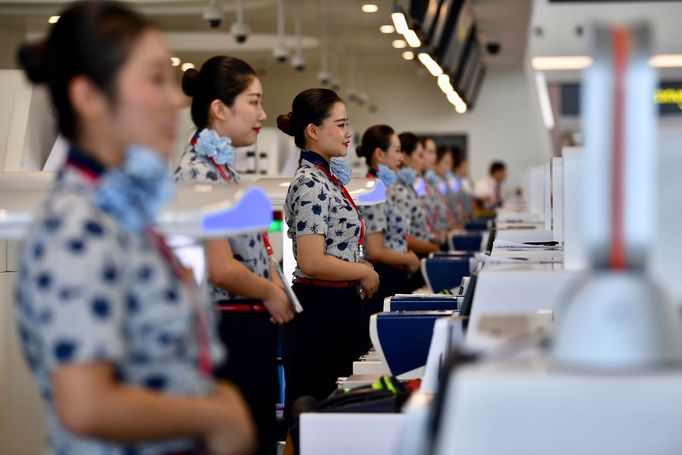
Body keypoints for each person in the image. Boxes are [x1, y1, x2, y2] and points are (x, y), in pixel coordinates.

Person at [14, 2, 254, 455]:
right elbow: (86, 405)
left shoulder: (119, 213)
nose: (175, 99)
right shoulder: (75, 226)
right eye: (154, 79)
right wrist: (214, 415)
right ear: (89, 97)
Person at [174, 55, 295, 455]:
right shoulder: (199, 173)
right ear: (220, 109)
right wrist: (271, 292)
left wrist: (274, 284)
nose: (262, 114)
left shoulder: (223, 171)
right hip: (227, 331)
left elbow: (253, 248)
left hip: (248, 329)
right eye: (254, 102)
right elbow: (221, 267)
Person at [277, 88, 380, 420]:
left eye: (347, 124)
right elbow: (311, 261)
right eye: (340, 124)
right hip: (319, 314)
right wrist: (363, 271)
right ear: (313, 131)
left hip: (339, 309)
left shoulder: (327, 179)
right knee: (320, 417)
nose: (348, 133)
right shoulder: (309, 183)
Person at [357, 125, 421, 327]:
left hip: (393, 274)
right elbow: (375, 249)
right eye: (397, 150)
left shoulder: (382, 187)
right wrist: (409, 258)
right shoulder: (374, 189)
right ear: (379, 154)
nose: (401, 158)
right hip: (385, 276)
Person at [396, 132, 440, 253]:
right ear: (405, 157)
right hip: (415, 253)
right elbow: (403, 235)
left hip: (426, 246)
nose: (424, 160)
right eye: (421, 155)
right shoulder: (398, 188)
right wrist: (435, 249)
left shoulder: (414, 184)